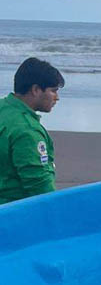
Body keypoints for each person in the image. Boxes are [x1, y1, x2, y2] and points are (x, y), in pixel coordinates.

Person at [0, 58, 63, 205]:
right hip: (12, 212)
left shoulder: (3, 107)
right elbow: (39, 185)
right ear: (35, 90)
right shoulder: (27, 131)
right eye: (53, 91)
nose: (57, 98)